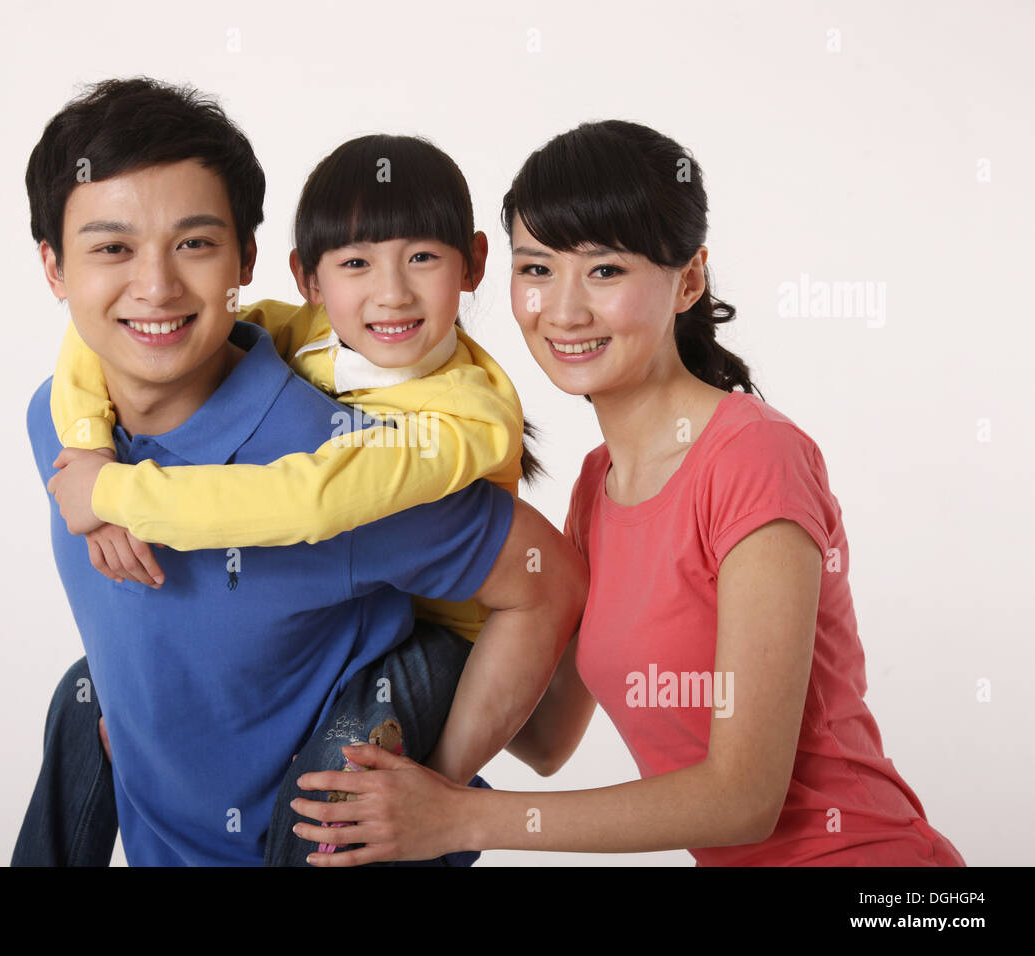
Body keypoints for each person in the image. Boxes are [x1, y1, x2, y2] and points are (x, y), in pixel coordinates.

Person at [290, 120, 967, 867]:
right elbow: (547, 740)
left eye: (606, 270)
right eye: (538, 268)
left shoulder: (753, 456)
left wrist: (464, 819)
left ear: (689, 279)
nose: (565, 309)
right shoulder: (594, 488)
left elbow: (743, 798)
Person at [11, 77, 586, 867]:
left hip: (374, 752)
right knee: (83, 693)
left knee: (335, 791)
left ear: (244, 260)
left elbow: (544, 579)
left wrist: (443, 792)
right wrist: (91, 454)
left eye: (194, 244)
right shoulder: (59, 422)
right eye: (111, 248)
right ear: (55, 269)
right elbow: (95, 345)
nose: (155, 286)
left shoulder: (348, 454)